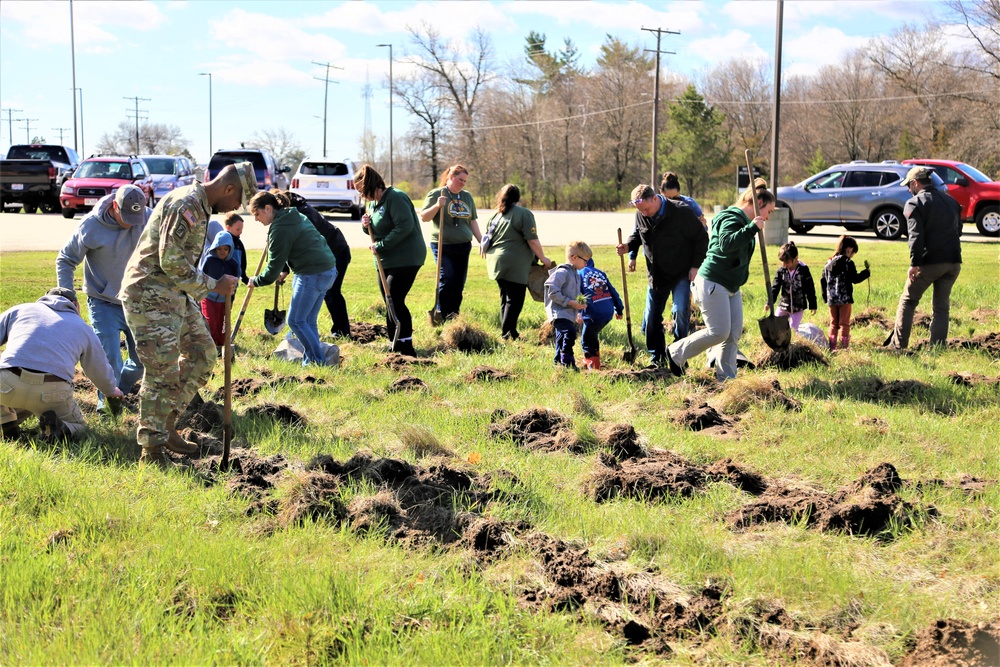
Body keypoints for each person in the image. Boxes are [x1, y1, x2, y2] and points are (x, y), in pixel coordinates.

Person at [120, 162, 250, 467]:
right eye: (237, 200)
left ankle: (165, 423)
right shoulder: (186, 204)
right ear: (229, 188)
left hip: (174, 293)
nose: (235, 207)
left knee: (204, 353)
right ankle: (151, 451)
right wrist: (213, 283)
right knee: (161, 371)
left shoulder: (200, 206)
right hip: (148, 295)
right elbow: (170, 259)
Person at [664, 183, 776, 381]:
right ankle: (676, 353)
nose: (769, 216)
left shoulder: (746, 221)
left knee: (733, 334)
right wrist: (751, 228)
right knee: (719, 332)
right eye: (769, 211)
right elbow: (725, 244)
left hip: (731, 286)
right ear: (759, 203)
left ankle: (726, 378)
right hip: (713, 283)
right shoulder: (731, 217)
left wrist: (751, 228)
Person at [56, 184, 150, 414]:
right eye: (126, 216)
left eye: (135, 217)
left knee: (141, 362)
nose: (131, 223)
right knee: (110, 361)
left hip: (137, 301)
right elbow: (65, 259)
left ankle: (120, 391)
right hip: (102, 301)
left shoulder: (146, 218)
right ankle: (107, 408)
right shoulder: (91, 225)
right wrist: (67, 296)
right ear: (115, 206)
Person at [0, 288, 124, 442]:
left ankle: (6, 424)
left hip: (6, 381)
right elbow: (98, 369)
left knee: (9, 397)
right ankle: (60, 428)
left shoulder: (20, 310)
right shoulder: (83, 328)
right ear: (75, 305)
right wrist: (111, 390)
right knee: (77, 425)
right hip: (52, 388)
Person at [617, 184, 708, 368]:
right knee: (651, 316)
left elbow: (701, 238)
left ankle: (678, 354)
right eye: (640, 211)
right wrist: (628, 246)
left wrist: (695, 266)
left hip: (682, 272)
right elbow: (639, 235)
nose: (644, 213)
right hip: (657, 274)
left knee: (681, 311)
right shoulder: (641, 214)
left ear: (656, 199)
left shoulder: (681, 212)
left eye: (647, 209)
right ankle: (656, 357)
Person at [247, 191, 338, 366]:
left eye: (257, 214)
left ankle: (318, 361)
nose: (256, 219)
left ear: (268, 208)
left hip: (312, 273)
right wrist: (284, 269)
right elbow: (289, 248)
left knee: (295, 320)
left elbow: (272, 267)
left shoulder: (280, 227)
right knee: (308, 321)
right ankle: (311, 363)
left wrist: (256, 281)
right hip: (327, 270)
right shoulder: (291, 216)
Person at [886, 166, 963, 350]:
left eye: (908, 185)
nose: (908, 190)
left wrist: (914, 264)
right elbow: (958, 230)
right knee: (941, 308)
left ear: (915, 183)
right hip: (953, 261)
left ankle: (898, 346)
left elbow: (916, 236)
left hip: (930, 263)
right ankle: (937, 348)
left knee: (908, 300)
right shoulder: (950, 201)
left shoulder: (914, 203)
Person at [354, 165, 426, 357]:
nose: (362, 195)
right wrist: (365, 225)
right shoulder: (373, 204)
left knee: (395, 299)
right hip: (385, 260)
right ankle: (394, 345)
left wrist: (382, 245)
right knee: (389, 302)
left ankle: (406, 346)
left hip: (407, 257)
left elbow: (405, 226)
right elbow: (375, 230)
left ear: (370, 185)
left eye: (362, 190)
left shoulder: (396, 197)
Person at [482, 184, 553, 341]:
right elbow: (532, 240)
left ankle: (509, 332)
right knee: (515, 299)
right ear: (518, 197)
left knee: (505, 298)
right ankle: (507, 334)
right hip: (514, 263)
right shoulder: (523, 214)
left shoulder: (496, 216)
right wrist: (544, 259)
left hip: (496, 262)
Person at [283, 190, 353, 337]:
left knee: (331, 291)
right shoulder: (297, 211)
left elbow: (298, 243)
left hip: (336, 251)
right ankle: (303, 327)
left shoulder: (303, 215)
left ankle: (342, 331)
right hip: (327, 252)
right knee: (320, 291)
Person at [420, 164, 482, 320]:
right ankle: (441, 311)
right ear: (450, 177)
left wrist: (482, 241)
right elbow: (424, 217)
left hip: (463, 246)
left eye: (465, 181)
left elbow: (473, 221)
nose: (462, 183)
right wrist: (437, 205)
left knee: (459, 282)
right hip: (443, 245)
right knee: (447, 278)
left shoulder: (467, 196)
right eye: (460, 179)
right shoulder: (436, 194)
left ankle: (454, 314)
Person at [576, 242, 624, 370]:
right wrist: (619, 309)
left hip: (593, 314)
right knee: (592, 335)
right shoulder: (600, 273)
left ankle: (593, 366)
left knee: (586, 340)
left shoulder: (578, 275)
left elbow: (577, 296)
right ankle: (595, 359)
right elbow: (613, 292)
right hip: (607, 313)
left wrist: (578, 313)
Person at [821, 235, 871, 351]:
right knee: (844, 323)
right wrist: (866, 273)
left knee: (834, 323)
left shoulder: (828, 263)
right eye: (853, 253)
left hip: (832, 299)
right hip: (845, 299)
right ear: (849, 249)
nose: (852, 256)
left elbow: (823, 280)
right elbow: (855, 279)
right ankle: (844, 348)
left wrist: (825, 297)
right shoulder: (848, 263)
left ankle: (832, 347)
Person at [544, 244, 588, 368]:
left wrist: (578, 307)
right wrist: (569, 302)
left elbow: (575, 293)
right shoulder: (562, 272)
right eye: (585, 261)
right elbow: (552, 290)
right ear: (574, 257)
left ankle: (557, 362)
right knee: (570, 332)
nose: (586, 264)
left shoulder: (575, 274)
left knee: (561, 338)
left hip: (568, 313)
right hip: (558, 312)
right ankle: (567, 359)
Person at [200, 231, 240, 356]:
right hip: (208, 297)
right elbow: (200, 277)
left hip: (224, 300)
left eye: (225, 249)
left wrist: (232, 299)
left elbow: (234, 283)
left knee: (223, 324)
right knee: (210, 321)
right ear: (215, 248)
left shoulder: (233, 264)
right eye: (219, 249)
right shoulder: (209, 260)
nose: (222, 252)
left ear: (230, 249)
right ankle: (210, 347)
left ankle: (222, 347)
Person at [768, 241, 817, 332]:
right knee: (777, 326)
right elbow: (775, 287)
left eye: (787, 262)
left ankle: (791, 345)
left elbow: (810, 288)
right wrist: (769, 302)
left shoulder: (803, 271)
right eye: (782, 262)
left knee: (793, 331)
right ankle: (779, 345)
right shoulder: (781, 270)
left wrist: (813, 304)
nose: (784, 265)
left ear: (796, 259)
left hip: (798, 307)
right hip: (783, 305)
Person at [224, 213, 249, 284]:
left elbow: (243, 260)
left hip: (235, 280)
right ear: (228, 227)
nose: (241, 232)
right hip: (223, 279)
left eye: (241, 229)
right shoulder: (224, 242)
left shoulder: (239, 243)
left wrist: (244, 276)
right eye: (238, 229)